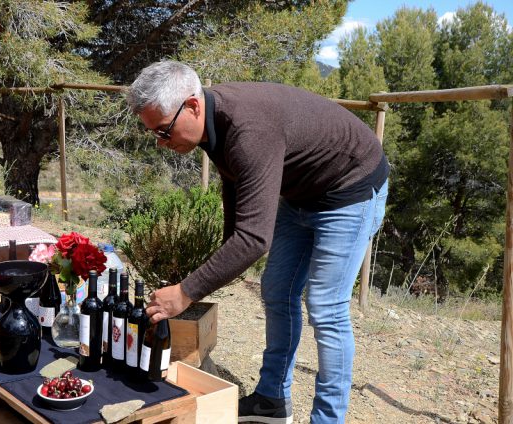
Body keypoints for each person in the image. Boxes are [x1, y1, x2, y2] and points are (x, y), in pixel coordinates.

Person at [127, 60, 389, 424]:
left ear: (193, 106)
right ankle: (272, 400)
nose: (161, 143)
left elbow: (254, 239)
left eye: (163, 131)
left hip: (351, 188)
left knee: (326, 307)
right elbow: (234, 182)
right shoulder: (214, 122)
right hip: (300, 193)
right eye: (154, 133)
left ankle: (328, 419)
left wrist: (186, 291)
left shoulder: (249, 129)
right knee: (277, 291)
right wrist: (225, 251)